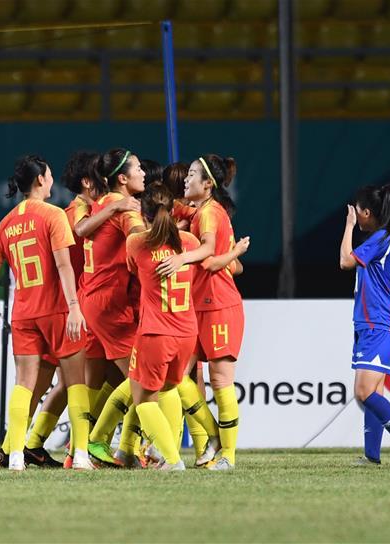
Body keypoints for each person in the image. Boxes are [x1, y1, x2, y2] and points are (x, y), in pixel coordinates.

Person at [0, 155, 94, 471]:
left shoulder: (6, 223)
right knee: (75, 381)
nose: (51, 180)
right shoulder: (53, 215)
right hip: (57, 310)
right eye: (49, 175)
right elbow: (64, 265)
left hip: (24, 314)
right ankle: (80, 456)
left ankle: (13, 457)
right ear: (40, 179)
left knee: (24, 383)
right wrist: (76, 308)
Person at [158, 154, 247, 470]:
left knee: (221, 380)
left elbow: (209, 251)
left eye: (193, 174)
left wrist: (182, 259)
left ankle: (228, 457)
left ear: (208, 184)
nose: (187, 178)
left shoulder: (210, 213)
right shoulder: (197, 211)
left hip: (219, 306)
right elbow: (164, 205)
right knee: (177, 376)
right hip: (196, 307)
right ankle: (212, 436)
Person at [339, 184, 390, 466]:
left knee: (364, 392)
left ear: (367, 212)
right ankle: (372, 456)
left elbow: (345, 261)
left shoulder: (384, 236)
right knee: (375, 392)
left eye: (358, 212)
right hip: (369, 323)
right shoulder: (380, 237)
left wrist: (348, 227)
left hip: (380, 324)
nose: (356, 216)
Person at [79, 148, 148, 467]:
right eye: (138, 169)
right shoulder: (126, 209)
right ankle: (107, 444)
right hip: (109, 305)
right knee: (143, 380)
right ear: (122, 178)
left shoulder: (102, 204)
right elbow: (139, 239)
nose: (143, 173)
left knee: (101, 380)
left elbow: (82, 230)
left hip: (94, 300)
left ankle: (81, 449)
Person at [126, 183, 202, 470]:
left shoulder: (137, 243)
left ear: (144, 215)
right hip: (186, 332)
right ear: (172, 212)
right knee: (170, 389)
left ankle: (171, 458)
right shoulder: (190, 244)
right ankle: (164, 452)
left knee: (143, 400)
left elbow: (133, 269)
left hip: (156, 332)